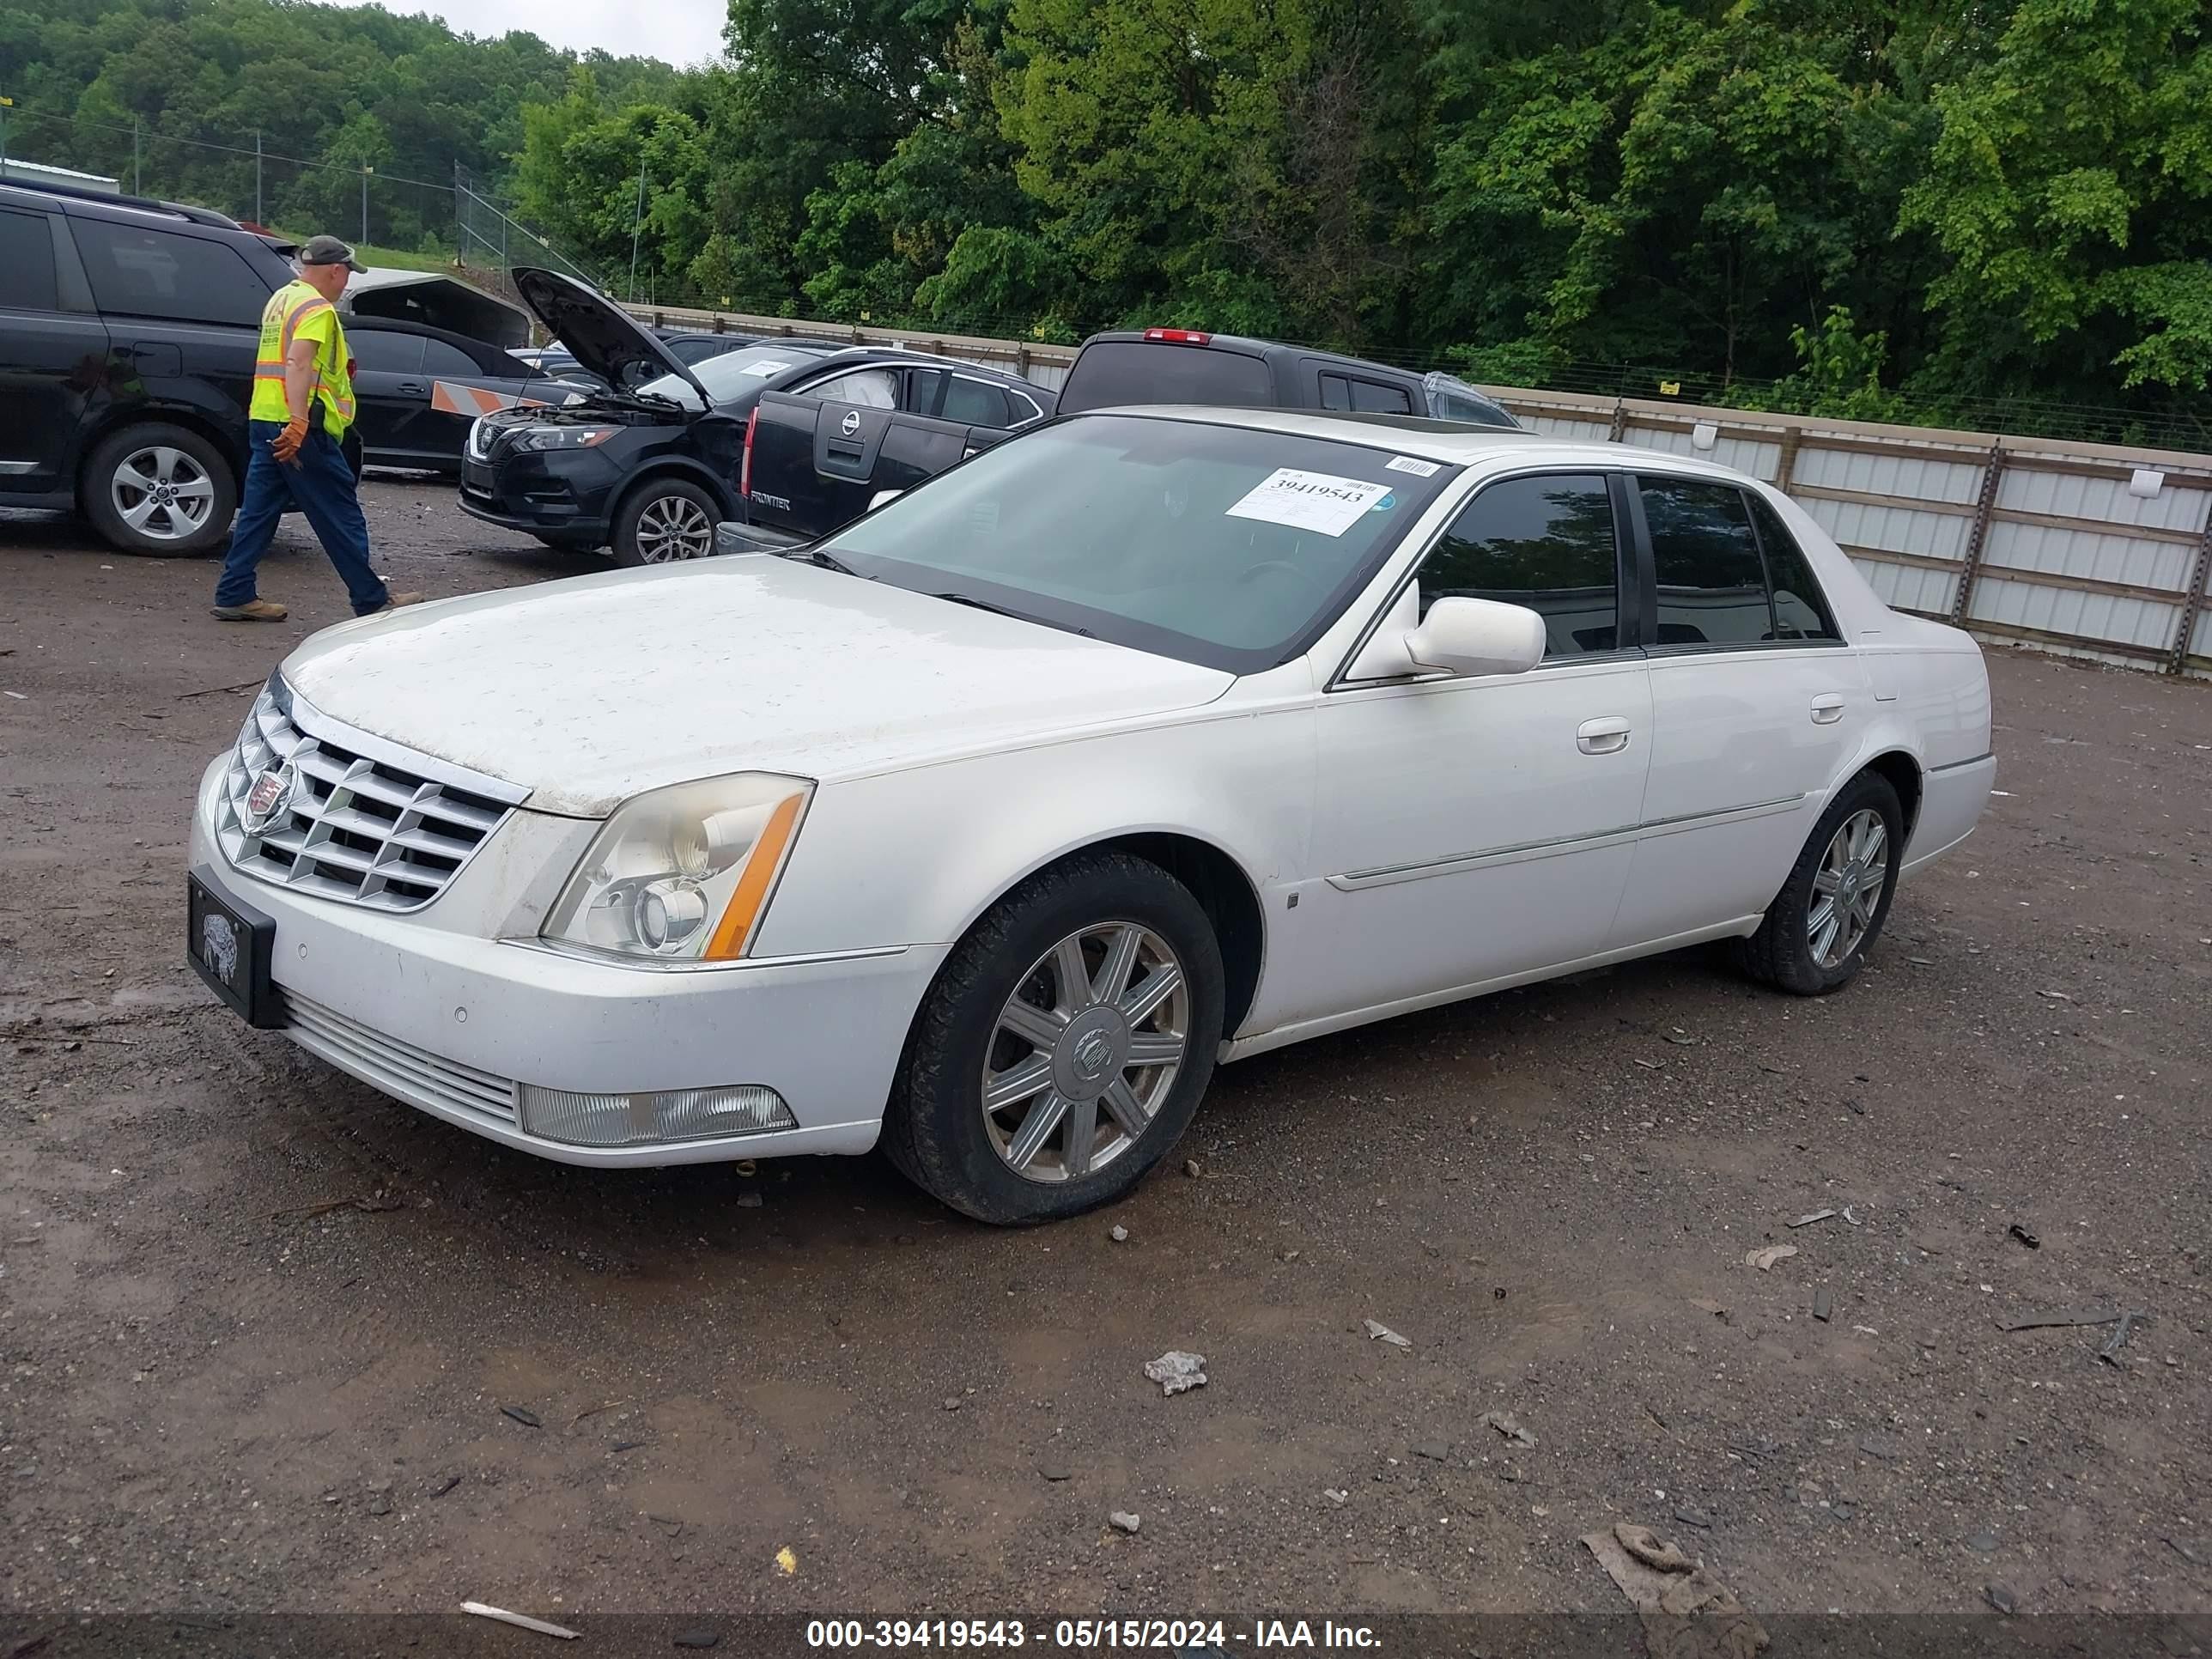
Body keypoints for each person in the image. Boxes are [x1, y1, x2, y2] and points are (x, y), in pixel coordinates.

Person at [212, 235, 421, 622]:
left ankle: (234, 592)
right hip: (301, 428)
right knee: (340, 514)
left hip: (265, 418)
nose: (345, 284)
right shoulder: (317, 309)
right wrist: (300, 420)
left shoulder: (281, 300)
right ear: (336, 270)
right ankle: (371, 600)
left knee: (259, 511)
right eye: (346, 275)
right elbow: (298, 363)